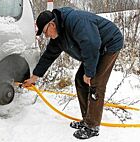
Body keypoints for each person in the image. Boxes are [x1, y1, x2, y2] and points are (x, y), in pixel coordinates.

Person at [23, 7, 123, 139]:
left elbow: (91, 44)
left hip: (109, 44)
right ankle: (87, 120)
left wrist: (89, 73)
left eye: (46, 32)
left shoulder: (76, 21)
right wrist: (34, 77)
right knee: (80, 80)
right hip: (94, 49)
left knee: (95, 83)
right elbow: (48, 56)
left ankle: (92, 126)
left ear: (52, 24)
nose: (47, 36)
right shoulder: (58, 35)